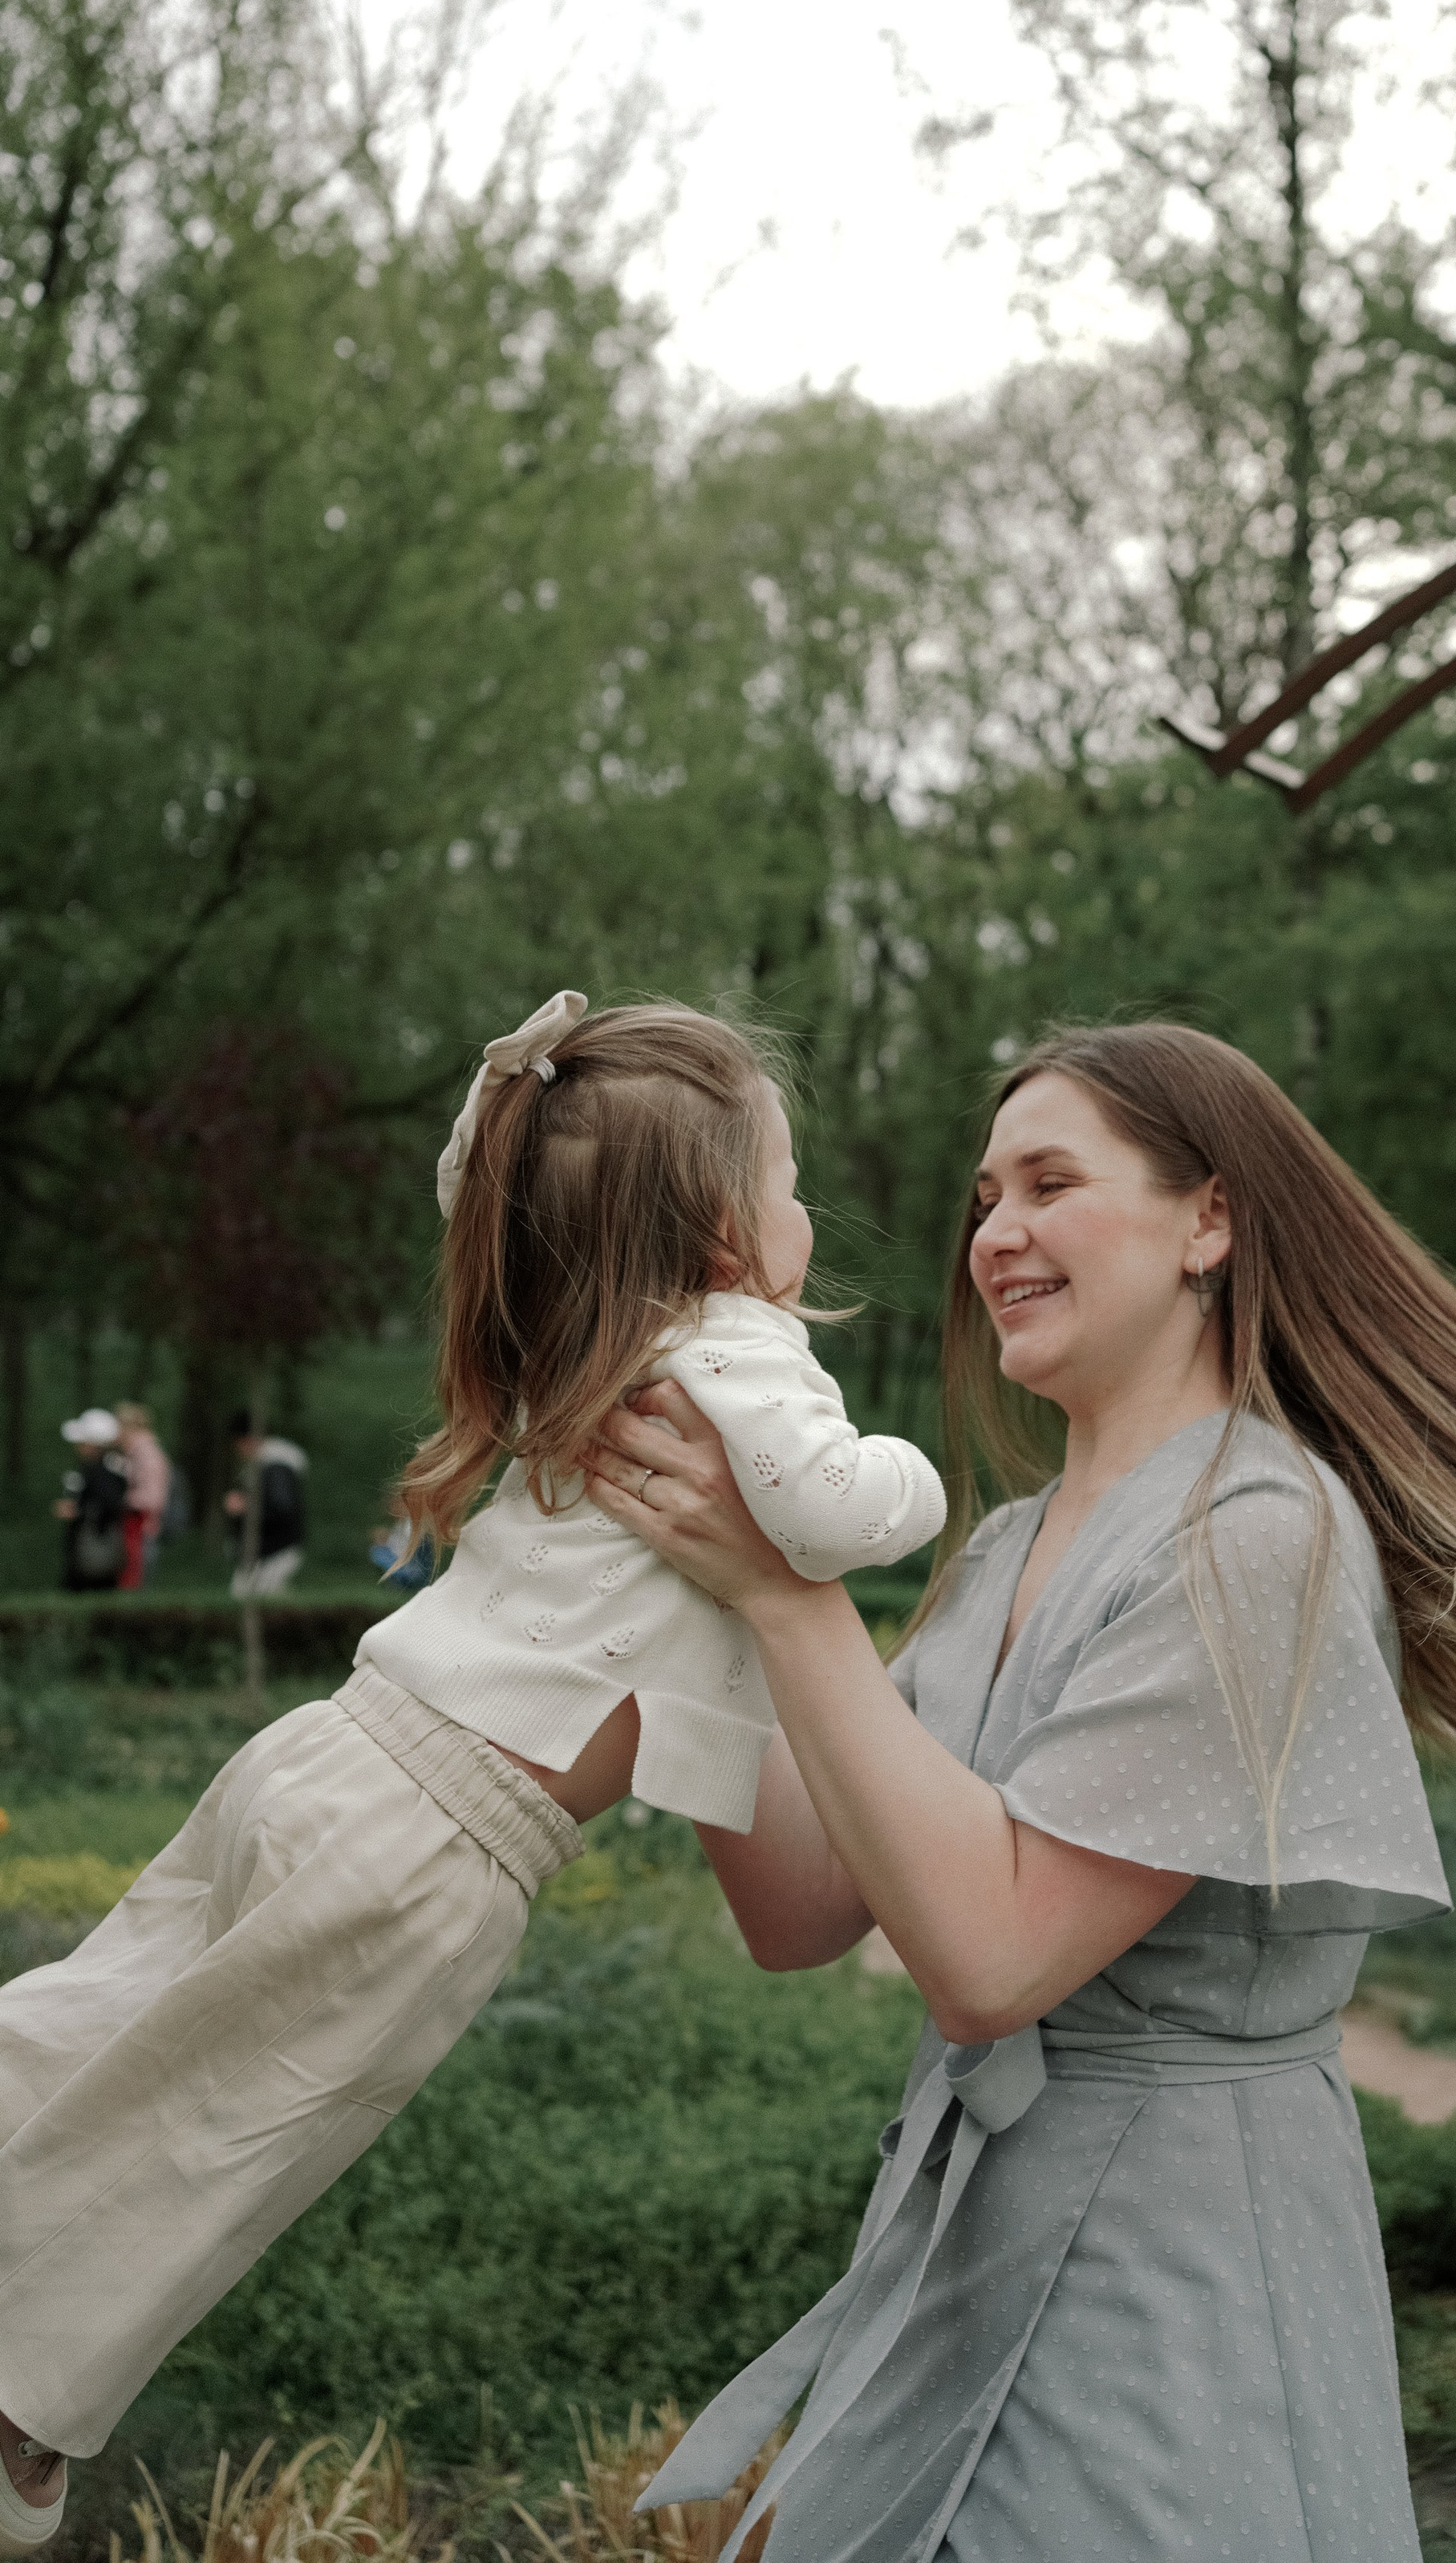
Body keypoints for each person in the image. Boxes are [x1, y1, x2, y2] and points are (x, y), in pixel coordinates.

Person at [586, 1020, 1456, 2563]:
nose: (995, 1235)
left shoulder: (1257, 1536)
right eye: (984, 1200)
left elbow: (988, 1959)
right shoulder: (1002, 1552)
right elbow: (799, 1907)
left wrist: (786, 1602)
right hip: (963, 2259)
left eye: (1050, 1184)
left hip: (1173, 2288)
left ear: (1211, 1220)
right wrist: (691, 1594)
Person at [0, 993, 945, 2557]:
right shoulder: (740, 1352)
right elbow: (841, 1508)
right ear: (726, 1228)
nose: (805, 1213)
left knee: (117, 2012)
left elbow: (492, 1199)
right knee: (223, 2131)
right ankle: (22, 2405)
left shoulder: (589, 1340)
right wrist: (926, 1478)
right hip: (436, 1846)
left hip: (336, 1750)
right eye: (789, 1181)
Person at [222, 1413, 309, 1598]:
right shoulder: (266, 1465)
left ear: (244, 1441)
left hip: (276, 1548)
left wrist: (245, 1507)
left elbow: (281, 1508)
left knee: (260, 1597)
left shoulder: (276, 1468)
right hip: (269, 1548)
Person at [51, 1414, 127, 1595]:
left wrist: (77, 1511)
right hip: (89, 1543)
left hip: (95, 1542)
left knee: (92, 1588)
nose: (79, 1447)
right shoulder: (100, 1467)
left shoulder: (102, 1470)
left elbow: (109, 1504)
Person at [112, 1405, 171, 1593]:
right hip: (136, 1527)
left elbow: (153, 1498)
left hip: (142, 1528)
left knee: (136, 1583)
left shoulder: (147, 1454)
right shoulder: (135, 1454)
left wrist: (120, 1500)